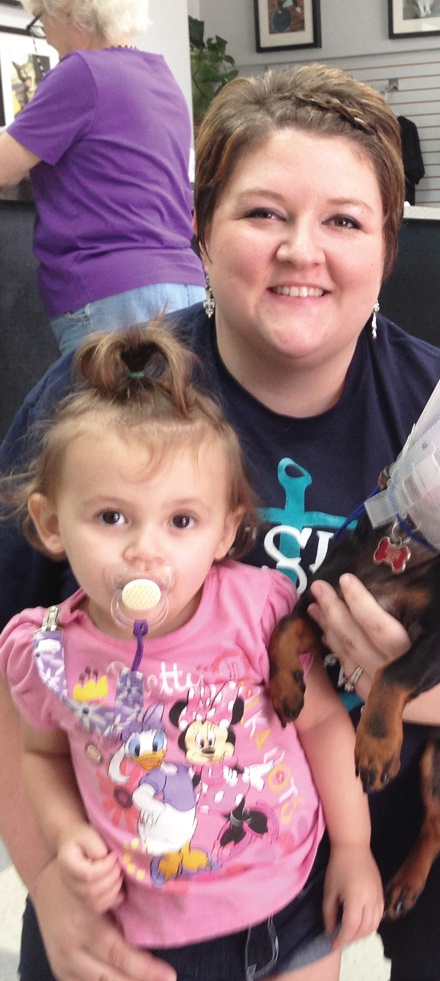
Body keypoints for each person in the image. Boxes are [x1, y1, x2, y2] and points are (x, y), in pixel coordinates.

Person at [0, 63, 440, 981]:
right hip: (168, 801)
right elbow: (13, 674)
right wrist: (43, 871)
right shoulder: (106, 403)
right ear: (200, 230)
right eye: (261, 214)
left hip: (397, 771)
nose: (302, 249)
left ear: (388, 245)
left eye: (343, 219)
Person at [0, 321, 383, 980]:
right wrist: (64, 840)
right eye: (111, 516)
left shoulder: (257, 608)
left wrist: (354, 845)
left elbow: (320, 720)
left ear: (225, 529)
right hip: (143, 934)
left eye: (181, 521)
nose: (146, 549)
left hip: (289, 911)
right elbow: (39, 755)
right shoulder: (44, 650)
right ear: (51, 523)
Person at [0, 0, 204, 355]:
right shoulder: (162, 76)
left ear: (70, 8)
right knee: (171, 421)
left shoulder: (81, 73)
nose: (46, 34)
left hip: (111, 296)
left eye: (41, 17)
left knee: (109, 424)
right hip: (183, 285)